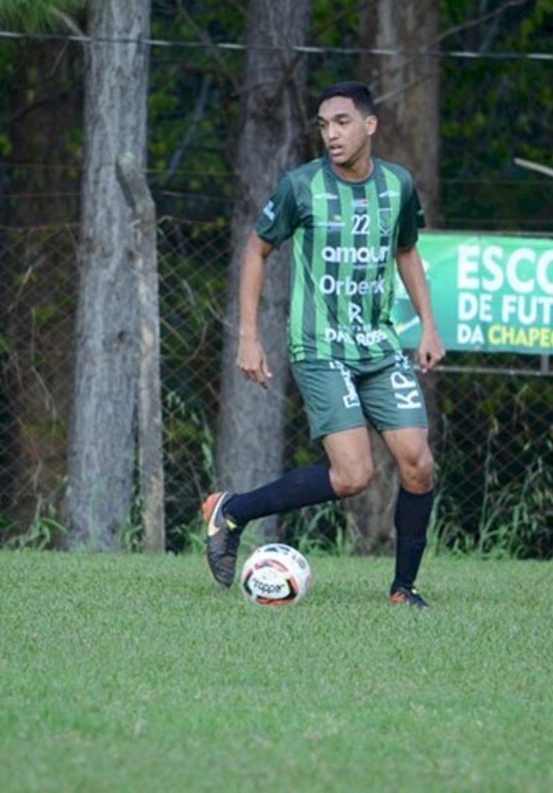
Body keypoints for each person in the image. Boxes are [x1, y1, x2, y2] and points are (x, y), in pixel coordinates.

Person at [202, 80, 445, 608]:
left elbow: (407, 251)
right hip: (321, 348)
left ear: (369, 125)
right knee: (354, 475)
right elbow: (255, 251)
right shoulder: (300, 186)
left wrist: (427, 325)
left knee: (418, 464)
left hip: (379, 346)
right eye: (323, 125)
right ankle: (234, 509)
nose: (331, 134)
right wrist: (249, 337)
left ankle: (404, 589)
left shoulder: (398, 186)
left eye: (341, 122)